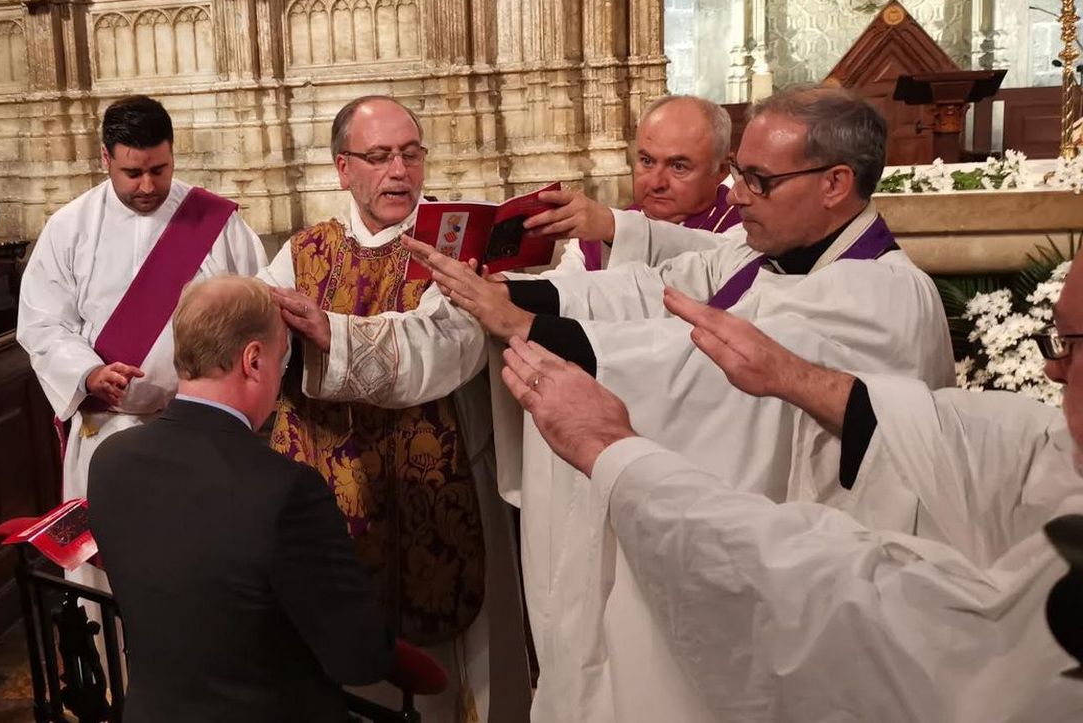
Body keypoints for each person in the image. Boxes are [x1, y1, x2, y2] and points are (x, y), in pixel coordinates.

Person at [335, 85, 953, 723]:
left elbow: (695, 366)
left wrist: (526, 327)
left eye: (757, 180)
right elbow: (653, 288)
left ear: (836, 183)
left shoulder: (879, 296)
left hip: (823, 577)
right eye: (738, 173)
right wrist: (520, 296)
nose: (736, 195)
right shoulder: (767, 255)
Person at [490, 262, 1083, 722]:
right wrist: (791, 375)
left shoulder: (887, 287)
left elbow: (870, 621)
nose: (1055, 370)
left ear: (834, 182)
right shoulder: (757, 256)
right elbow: (1012, 452)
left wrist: (615, 450)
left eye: (1073, 344)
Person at [261, 95, 530, 722]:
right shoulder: (300, 254)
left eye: (411, 155)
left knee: (454, 685)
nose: (399, 172)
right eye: (379, 157)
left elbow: (448, 349)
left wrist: (331, 333)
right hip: (333, 493)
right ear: (343, 168)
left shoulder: (457, 245)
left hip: (437, 486)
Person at [88, 276, 395, 722]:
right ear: (253, 360)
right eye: (282, 359)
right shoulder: (285, 490)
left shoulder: (111, 461)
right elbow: (360, 659)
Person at [16, 94, 265, 585]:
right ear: (106, 158)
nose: (148, 185)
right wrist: (87, 373)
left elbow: (259, 315)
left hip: (200, 437)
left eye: (160, 169)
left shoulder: (215, 223)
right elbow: (42, 324)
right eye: (133, 173)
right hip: (110, 434)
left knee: (196, 575)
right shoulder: (69, 228)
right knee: (112, 584)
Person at [535, 94, 740, 273]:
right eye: (647, 161)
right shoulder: (603, 232)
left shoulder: (744, 231)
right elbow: (561, 288)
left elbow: (709, 262)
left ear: (720, 171)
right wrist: (509, 285)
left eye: (678, 166)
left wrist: (616, 227)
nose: (655, 183)